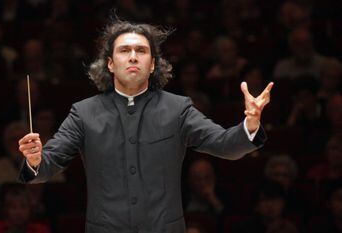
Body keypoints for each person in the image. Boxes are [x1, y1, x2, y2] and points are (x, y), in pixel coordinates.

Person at [18, 19, 273, 233]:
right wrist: (34, 159)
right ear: (109, 63)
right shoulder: (84, 113)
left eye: (141, 51)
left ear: (152, 65)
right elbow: (48, 164)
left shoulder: (178, 109)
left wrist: (250, 124)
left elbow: (225, 145)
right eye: (124, 50)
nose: (132, 57)